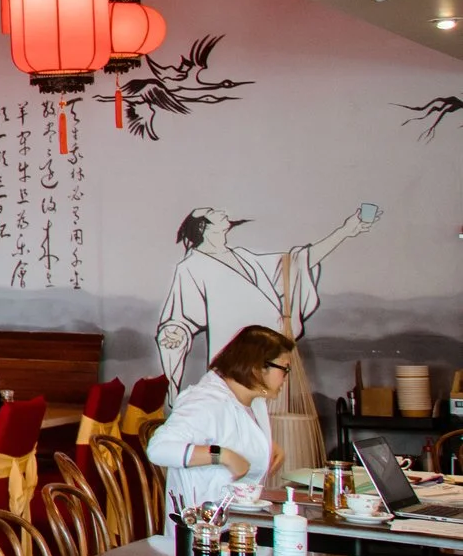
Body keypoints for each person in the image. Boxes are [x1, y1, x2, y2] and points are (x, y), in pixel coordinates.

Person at [156, 206, 375, 388]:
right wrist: (174, 334)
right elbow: (180, 318)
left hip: (271, 357)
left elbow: (297, 263)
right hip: (234, 362)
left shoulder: (244, 257)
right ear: (203, 226)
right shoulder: (192, 266)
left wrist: (345, 231)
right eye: (212, 211)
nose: (221, 211)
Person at [146, 324, 293, 510]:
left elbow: (233, 432)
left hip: (240, 523)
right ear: (258, 367)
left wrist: (265, 443)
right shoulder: (205, 402)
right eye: (285, 369)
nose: (286, 378)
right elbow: (159, 449)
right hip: (203, 529)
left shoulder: (254, 401)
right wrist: (222, 455)